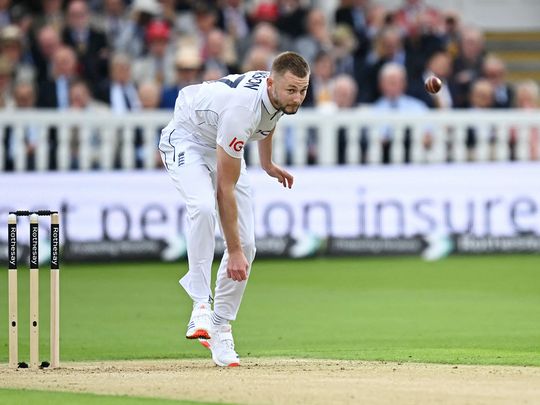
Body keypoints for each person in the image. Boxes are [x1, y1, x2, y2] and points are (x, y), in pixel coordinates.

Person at [158, 51, 310, 367]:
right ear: (272, 84)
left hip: (222, 140)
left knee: (250, 245)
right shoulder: (243, 109)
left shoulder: (278, 94)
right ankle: (200, 303)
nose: (298, 98)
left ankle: (220, 326)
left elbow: (271, 118)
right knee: (202, 208)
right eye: (292, 90)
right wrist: (233, 250)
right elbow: (223, 190)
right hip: (188, 137)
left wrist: (266, 163)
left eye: (303, 90)